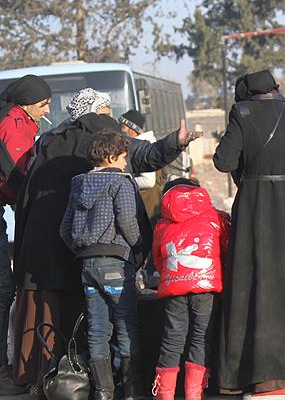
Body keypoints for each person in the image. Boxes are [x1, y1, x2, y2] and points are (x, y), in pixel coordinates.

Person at [12, 88, 199, 392]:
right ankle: (130, 389)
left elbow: (33, 199)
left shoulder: (50, 140)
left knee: (92, 325)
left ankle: (91, 387)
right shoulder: (109, 147)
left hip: (53, 246)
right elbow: (146, 162)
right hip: (110, 258)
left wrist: (76, 247)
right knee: (124, 324)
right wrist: (140, 255)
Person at [213, 69, 285, 397]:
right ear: (275, 88)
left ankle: (247, 373)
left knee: (250, 283)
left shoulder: (242, 113)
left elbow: (222, 160)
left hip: (254, 207)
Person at [59, 129, 142, 400]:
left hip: (88, 267)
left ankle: (103, 392)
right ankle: (131, 390)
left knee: (97, 328)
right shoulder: (121, 183)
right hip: (116, 264)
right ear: (110, 156)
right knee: (125, 324)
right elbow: (128, 221)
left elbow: (65, 229)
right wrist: (138, 247)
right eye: (123, 157)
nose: (126, 162)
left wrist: (82, 250)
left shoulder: (78, 184)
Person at [151, 180, 230, 400]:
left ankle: (164, 395)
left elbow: (158, 259)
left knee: (172, 338)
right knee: (201, 337)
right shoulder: (217, 217)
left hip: (174, 285)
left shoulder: (162, 223)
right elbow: (226, 250)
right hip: (206, 286)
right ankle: (194, 393)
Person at [0, 74, 50, 396]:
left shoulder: (22, 123)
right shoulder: (15, 124)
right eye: (44, 102)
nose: (48, 108)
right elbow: (20, 172)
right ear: (27, 103)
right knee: (3, 291)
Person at [120, 109, 163, 218]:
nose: (120, 130)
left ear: (132, 130)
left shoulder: (142, 149)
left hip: (148, 206)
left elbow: (148, 181)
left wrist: (123, 183)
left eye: (123, 127)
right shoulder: (143, 146)